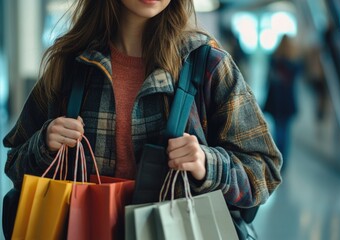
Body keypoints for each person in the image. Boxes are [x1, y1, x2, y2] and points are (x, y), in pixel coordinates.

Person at [3, 0, 282, 239]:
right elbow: (14, 164)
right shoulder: (69, 66)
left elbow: (264, 171)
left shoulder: (207, 64)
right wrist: (44, 144)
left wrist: (207, 164)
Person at [263, 35, 302, 173]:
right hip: (288, 104)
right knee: (285, 133)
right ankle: (283, 160)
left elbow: (269, 82)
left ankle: (278, 159)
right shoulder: (294, 63)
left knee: (278, 132)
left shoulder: (274, 60)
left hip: (276, 102)